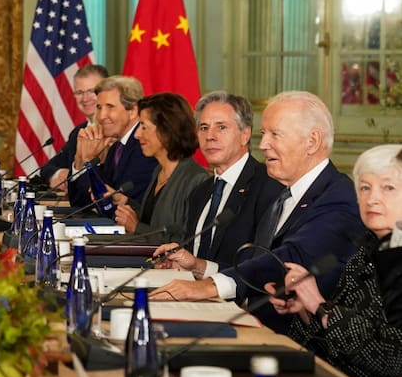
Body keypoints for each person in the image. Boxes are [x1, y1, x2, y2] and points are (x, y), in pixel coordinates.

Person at [150, 91, 366, 333]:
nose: (263, 145)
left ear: (312, 142)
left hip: (300, 342)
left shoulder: (338, 197)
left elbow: (289, 257)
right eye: (264, 134)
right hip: (254, 327)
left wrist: (210, 286)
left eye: (275, 135)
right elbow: (253, 264)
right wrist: (200, 267)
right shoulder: (285, 195)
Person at [266, 144, 402, 377]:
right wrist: (307, 310)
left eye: (388, 188)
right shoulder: (368, 249)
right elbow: (344, 340)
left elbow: (394, 357)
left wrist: (320, 306)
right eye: (364, 188)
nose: (372, 199)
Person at [151, 91, 284, 271]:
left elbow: (260, 266)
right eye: (204, 128)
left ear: (245, 135)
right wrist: (180, 263)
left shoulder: (268, 186)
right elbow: (194, 256)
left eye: (221, 127)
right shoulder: (200, 192)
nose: (210, 136)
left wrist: (200, 267)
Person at [113, 93, 208, 239]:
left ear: (166, 130)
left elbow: (185, 240)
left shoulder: (196, 179)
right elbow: (156, 217)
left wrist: (136, 227)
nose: (137, 134)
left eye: (144, 127)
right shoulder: (158, 170)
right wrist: (126, 202)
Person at [67, 75, 157, 207]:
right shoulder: (116, 147)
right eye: (99, 107)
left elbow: (108, 205)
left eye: (110, 107)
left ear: (132, 110)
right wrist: (80, 159)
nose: (102, 116)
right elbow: (80, 202)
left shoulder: (144, 147)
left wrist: (90, 161)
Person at [40, 65, 109, 191]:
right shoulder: (78, 132)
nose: (85, 99)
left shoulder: (114, 132)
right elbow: (47, 168)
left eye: (92, 91)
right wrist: (59, 174)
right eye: (79, 92)